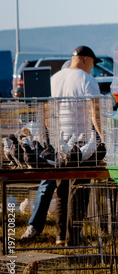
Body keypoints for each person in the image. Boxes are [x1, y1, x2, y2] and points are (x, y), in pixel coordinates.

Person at [21, 46, 103, 245]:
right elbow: (95, 113)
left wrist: (54, 137)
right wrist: (103, 138)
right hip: (81, 145)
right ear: (85, 60)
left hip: (59, 144)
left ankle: (50, 232)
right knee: (78, 189)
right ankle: (73, 234)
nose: (93, 67)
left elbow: (47, 110)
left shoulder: (55, 78)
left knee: (55, 186)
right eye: (92, 63)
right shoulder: (87, 80)